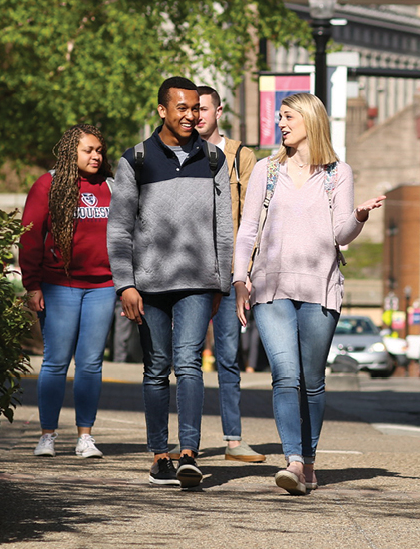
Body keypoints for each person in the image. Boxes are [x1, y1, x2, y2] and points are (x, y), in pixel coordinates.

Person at [233, 93, 385, 495]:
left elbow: (340, 234)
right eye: (279, 117)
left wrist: (359, 217)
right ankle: (294, 461)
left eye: (288, 117)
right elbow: (248, 230)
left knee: (312, 381)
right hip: (270, 286)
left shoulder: (338, 173)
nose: (281, 123)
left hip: (320, 287)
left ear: (310, 120)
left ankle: (310, 463)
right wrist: (238, 280)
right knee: (285, 376)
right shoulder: (266, 171)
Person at [108, 76, 234, 489]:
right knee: (156, 368)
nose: (191, 115)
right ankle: (159, 454)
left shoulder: (214, 158)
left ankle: (188, 454)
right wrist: (124, 284)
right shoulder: (137, 160)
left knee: (189, 364)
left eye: (196, 108)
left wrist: (222, 283)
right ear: (162, 110)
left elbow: (223, 227)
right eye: (182, 108)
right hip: (148, 285)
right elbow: (120, 228)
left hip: (198, 282)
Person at [172, 84, 264, 462]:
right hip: (189, 272)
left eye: (204, 109)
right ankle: (186, 443)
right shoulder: (179, 154)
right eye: (193, 110)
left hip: (228, 273)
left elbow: (256, 215)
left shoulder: (241, 156)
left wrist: (247, 269)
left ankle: (233, 439)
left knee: (227, 355)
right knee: (185, 357)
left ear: (218, 111)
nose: (197, 116)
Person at [20, 124, 115, 459]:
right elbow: (30, 236)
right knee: (56, 363)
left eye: (99, 151)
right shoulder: (47, 184)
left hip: (103, 287)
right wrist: (31, 284)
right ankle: (48, 435)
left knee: (90, 364)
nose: (96, 156)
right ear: (71, 151)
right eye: (88, 150)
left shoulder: (110, 185)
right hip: (59, 286)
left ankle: (85, 437)